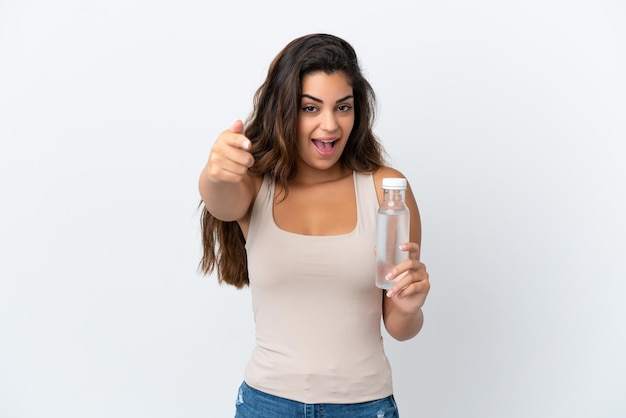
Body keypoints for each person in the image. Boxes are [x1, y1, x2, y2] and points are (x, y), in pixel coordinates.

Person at [198, 33, 430, 417]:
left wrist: (408, 307)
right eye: (310, 108)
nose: (330, 125)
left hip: (364, 405)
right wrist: (216, 170)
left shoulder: (387, 192)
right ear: (284, 110)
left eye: (343, 107)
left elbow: (400, 327)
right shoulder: (255, 186)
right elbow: (219, 200)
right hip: (266, 404)